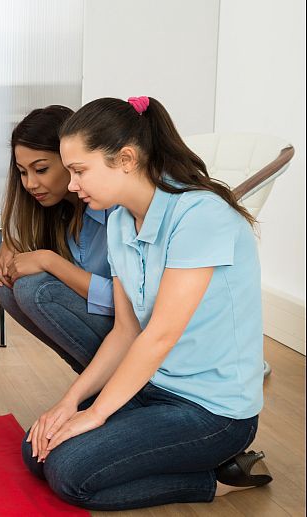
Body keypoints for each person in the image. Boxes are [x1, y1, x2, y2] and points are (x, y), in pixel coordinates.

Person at [23, 96, 272, 510]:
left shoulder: (200, 216)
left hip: (214, 412)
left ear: (125, 159)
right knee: (37, 450)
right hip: (155, 388)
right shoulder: (121, 220)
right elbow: (127, 330)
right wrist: (69, 402)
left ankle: (216, 480)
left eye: (80, 171)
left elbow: (159, 335)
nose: (70, 185)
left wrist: (96, 413)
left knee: (70, 475)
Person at [0, 105, 115, 373]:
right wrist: (16, 246)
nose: (30, 184)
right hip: (106, 327)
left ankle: (110, 390)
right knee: (7, 282)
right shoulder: (60, 211)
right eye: (23, 172)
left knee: (35, 290)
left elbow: (128, 304)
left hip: (133, 332)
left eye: (41, 169)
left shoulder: (117, 210)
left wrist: (49, 261)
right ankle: (93, 384)